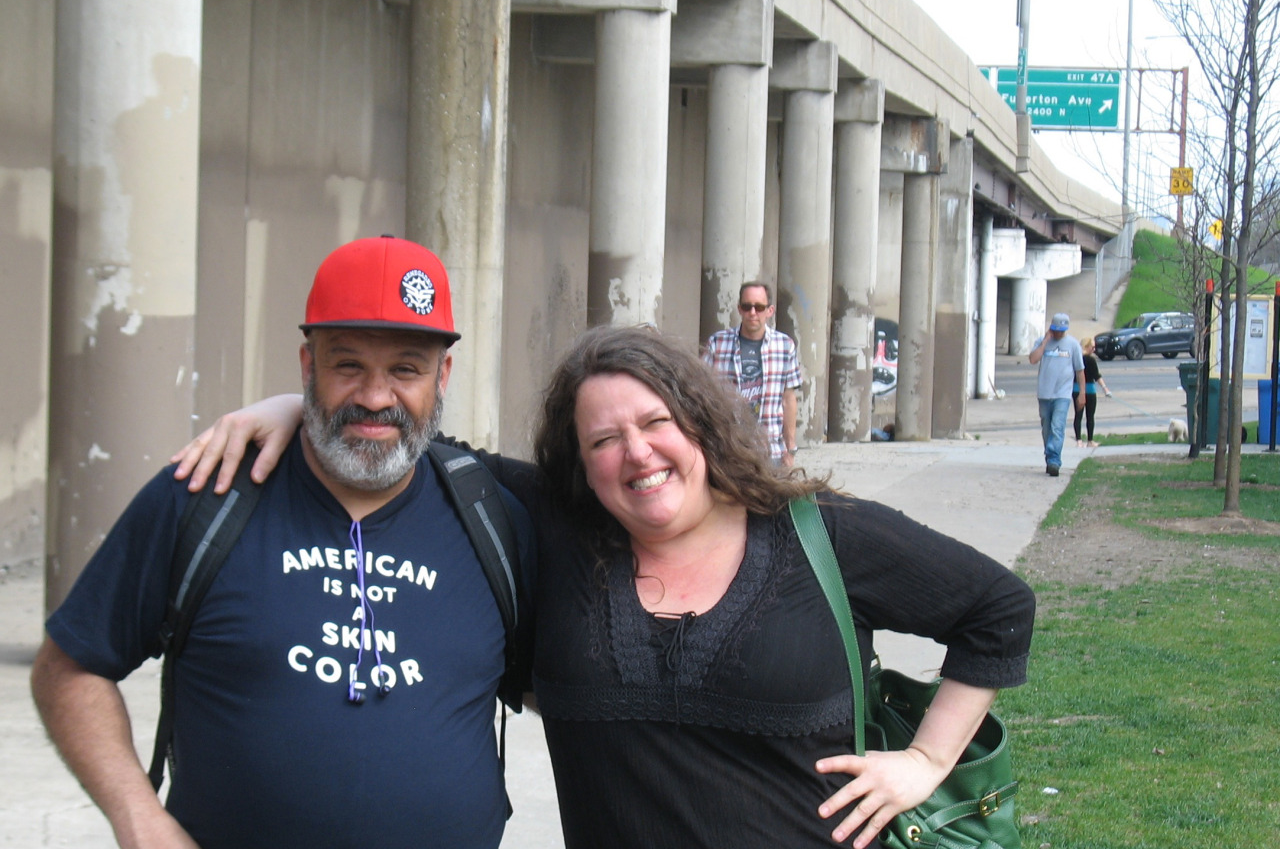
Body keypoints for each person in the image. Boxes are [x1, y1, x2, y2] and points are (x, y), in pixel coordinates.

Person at [177, 325, 1035, 849]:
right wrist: (294, 408)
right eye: (604, 441)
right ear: (579, 465)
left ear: (702, 425)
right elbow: (416, 443)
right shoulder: (558, 527)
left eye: (657, 422)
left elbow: (997, 609)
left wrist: (925, 762)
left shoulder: (818, 536)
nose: (638, 454)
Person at [30, 236, 535, 849]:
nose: (375, 397)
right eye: (347, 365)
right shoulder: (206, 495)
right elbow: (70, 668)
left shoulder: (492, 519)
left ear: (442, 376)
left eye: (405, 369)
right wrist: (140, 819)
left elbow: (567, 686)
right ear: (307, 366)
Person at [703, 281, 802, 465]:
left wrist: (790, 449)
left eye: (759, 307)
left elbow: (788, 400)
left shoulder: (784, 346)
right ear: (739, 309)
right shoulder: (717, 343)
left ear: (770, 310)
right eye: (747, 307)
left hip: (771, 451)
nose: (753, 313)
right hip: (728, 449)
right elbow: (702, 393)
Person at [1028, 311, 1086, 477]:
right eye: (1056, 330)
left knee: (1057, 426)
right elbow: (1033, 359)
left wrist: (1082, 393)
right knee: (1047, 428)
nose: (1059, 334)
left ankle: (1054, 460)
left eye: (1061, 331)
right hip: (1044, 393)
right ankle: (1049, 457)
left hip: (1063, 394)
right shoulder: (1042, 342)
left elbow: (1080, 371)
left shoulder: (1073, 345)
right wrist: (1045, 341)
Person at [1073, 336, 1111, 447]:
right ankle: (1090, 441)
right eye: (1092, 347)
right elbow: (1096, 376)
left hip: (1076, 389)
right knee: (1090, 416)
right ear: (1086, 347)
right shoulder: (1091, 360)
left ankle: (1079, 441)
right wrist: (1105, 388)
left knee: (1078, 415)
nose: (1094, 350)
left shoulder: (1076, 358)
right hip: (1089, 389)